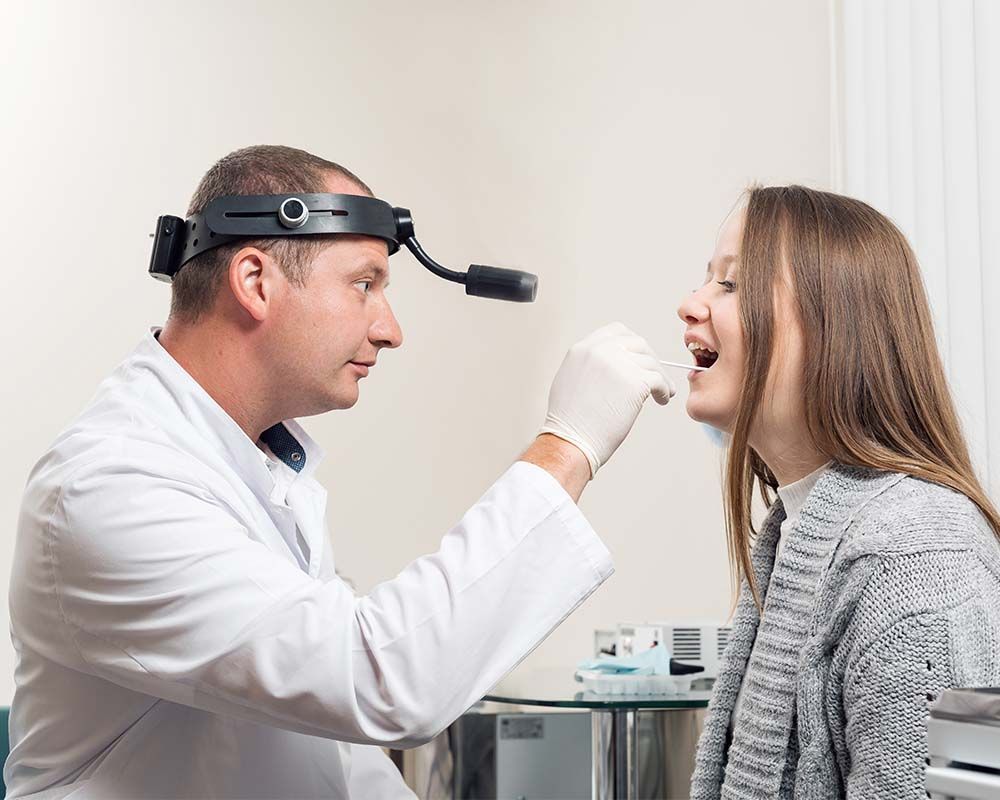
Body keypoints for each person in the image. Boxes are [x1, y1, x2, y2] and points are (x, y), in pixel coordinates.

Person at [5, 145, 674, 799]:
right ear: (255, 282)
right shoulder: (111, 487)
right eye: (365, 285)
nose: (390, 329)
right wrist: (568, 445)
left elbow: (332, 755)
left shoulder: (257, 465)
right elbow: (381, 679)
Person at [679, 185, 1000, 799]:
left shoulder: (919, 570)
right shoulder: (796, 532)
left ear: (835, 327)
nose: (689, 305)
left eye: (732, 283)